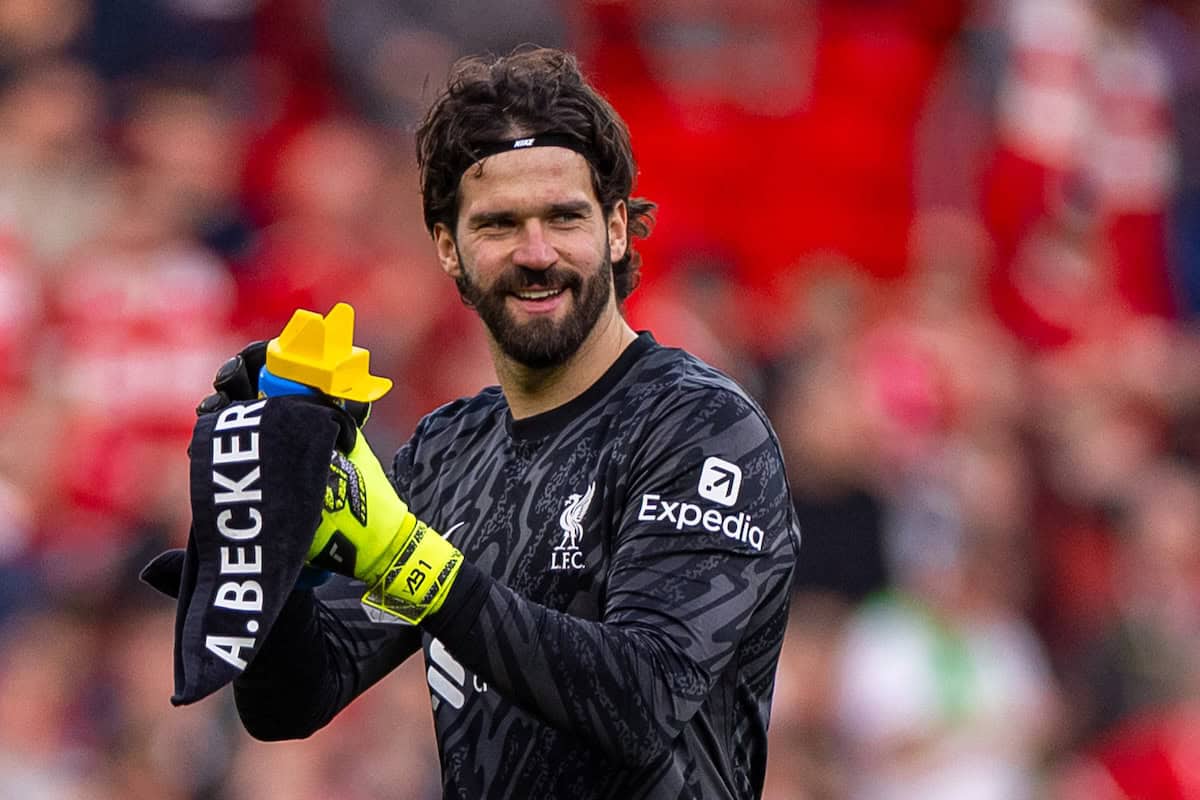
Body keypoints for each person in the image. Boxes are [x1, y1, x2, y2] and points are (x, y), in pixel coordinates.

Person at [225, 47, 800, 799]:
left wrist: (408, 561)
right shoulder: (445, 451)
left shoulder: (699, 427)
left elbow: (645, 700)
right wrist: (273, 562)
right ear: (448, 249)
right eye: (498, 224)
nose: (537, 254)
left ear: (618, 229)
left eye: (564, 217)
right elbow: (292, 701)